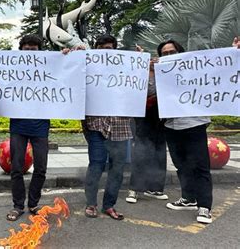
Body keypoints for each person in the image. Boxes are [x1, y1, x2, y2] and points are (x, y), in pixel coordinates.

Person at [158, 39, 213, 224]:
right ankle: (188, 198)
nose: (168, 56)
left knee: (200, 166)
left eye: (171, 52)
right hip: (171, 126)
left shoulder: (195, 68)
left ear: (180, 52)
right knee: (181, 165)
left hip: (194, 124)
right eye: (164, 54)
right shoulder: (160, 74)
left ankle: (204, 207)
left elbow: (220, 70)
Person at [82, 34, 132, 221]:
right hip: (97, 125)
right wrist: (71, 55)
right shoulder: (87, 67)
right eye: (101, 47)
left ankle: (109, 205)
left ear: (115, 50)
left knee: (117, 169)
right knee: (95, 165)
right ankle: (91, 203)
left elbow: (140, 88)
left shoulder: (126, 68)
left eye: (109, 48)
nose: (105, 51)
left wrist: (140, 64)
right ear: (96, 49)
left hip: (120, 126)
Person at [6, 34, 51, 221]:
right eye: (27, 49)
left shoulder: (50, 67)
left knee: (41, 168)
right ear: (21, 50)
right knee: (16, 168)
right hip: (18, 125)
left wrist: (67, 54)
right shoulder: (11, 67)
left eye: (34, 49)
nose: (31, 52)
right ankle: (18, 205)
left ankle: (33, 203)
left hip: (40, 126)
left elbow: (66, 73)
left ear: (40, 51)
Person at [126, 46, 168, 204]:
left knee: (160, 150)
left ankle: (156, 187)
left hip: (162, 117)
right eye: (149, 58)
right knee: (142, 151)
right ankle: (134, 189)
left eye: (154, 57)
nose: (152, 61)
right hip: (143, 116)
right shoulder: (138, 73)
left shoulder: (166, 72)